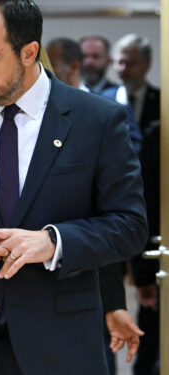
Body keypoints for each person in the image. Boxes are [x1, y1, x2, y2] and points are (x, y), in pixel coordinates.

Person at [0, 1, 148, 374]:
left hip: (59, 343)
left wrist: (54, 242)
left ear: (29, 52)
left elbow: (130, 226)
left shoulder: (96, 120)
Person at [47, 36, 145, 374]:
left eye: (51, 66)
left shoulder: (107, 113)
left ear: (72, 69)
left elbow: (121, 196)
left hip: (94, 262)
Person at [112, 33, 162, 375]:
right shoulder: (104, 100)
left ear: (146, 64)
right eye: (119, 60)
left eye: (130, 61)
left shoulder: (163, 103)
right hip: (114, 213)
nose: (122, 68)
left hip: (152, 215)